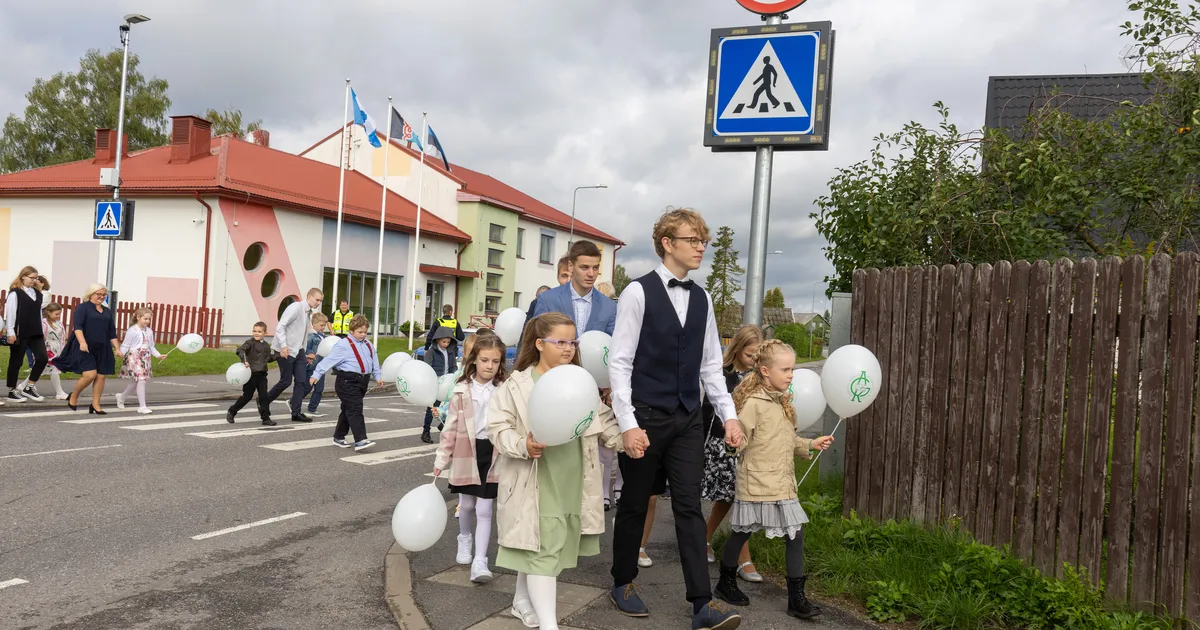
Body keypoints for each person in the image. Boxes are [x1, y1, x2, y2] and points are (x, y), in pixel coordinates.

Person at [607, 208, 744, 629]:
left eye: (703, 241)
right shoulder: (637, 293)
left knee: (689, 506)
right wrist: (628, 423)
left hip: (688, 419)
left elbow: (709, 365)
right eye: (693, 240)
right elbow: (620, 362)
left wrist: (730, 416)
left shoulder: (702, 297)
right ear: (668, 243)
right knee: (634, 501)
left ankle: (702, 603)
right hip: (645, 416)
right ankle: (622, 581)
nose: (701, 247)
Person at [487, 312, 625, 630]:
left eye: (572, 341)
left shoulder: (578, 380)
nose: (568, 348)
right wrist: (523, 445)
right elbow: (497, 427)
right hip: (535, 477)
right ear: (539, 344)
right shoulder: (518, 385)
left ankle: (522, 602)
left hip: (572, 475)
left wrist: (626, 440)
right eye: (560, 342)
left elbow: (601, 419)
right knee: (544, 549)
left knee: (541, 546)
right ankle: (550, 625)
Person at [714, 339, 834, 619]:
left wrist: (810, 444)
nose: (791, 374)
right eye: (786, 369)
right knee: (743, 532)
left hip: (782, 482)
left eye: (792, 369)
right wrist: (732, 442)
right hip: (757, 481)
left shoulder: (783, 402)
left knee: (796, 533)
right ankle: (725, 581)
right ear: (766, 371)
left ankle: (796, 598)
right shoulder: (754, 404)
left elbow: (786, 439)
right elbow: (739, 438)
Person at [433, 333, 509, 584]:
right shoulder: (461, 389)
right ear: (474, 359)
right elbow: (451, 428)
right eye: (485, 360)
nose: (490, 366)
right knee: (466, 505)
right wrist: (441, 459)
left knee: (485, 508)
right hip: (467, 451)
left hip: (493, 451)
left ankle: (480, 561)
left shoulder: (504, 389)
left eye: (495, 361)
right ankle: (464, 538)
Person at [703, 325, 764, 580]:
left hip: (752, 445)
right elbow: (709, 410)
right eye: (750, 355)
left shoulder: (761, 377)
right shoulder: (721, 375)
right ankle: (742, 558)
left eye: (758, 356)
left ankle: (704, 539)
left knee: (736, 499)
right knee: (733, 498)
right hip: (725, 444)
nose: (753, 360)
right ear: (737, 349)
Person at [310, 315, 383, 452]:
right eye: (360, 332)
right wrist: (316, 375)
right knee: (355, 408)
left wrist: (377, 376)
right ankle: (360, 440)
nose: (363, 335)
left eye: (365, 332)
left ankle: (339, 437)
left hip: (363, 381)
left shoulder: (368, 344)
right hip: (347, 381)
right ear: (351, 331)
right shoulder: (343, 345)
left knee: (348, 409)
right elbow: (329, 360)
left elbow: (374, 360)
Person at [52, 283, 121, 414]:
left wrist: (117, 348)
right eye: (98, 294)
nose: (101, 297)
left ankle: (95, 404)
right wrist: (82, 342)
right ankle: (74, 395)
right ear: (91, 294)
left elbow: (111, 332)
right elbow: (78, 327)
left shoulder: (107, 311)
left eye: (103, 295)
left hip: (103, 348)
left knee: (101, 376)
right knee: (90, 375)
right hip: (85, 347)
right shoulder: (83, 308)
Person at [532, 240, 616, 335]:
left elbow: (610, 344)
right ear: (571, 266)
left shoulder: (609, 307)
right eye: (584, 267)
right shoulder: (548, 300)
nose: (591, 274)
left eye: (595, 268)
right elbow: (536, 339)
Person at [268, 288, 323, 423]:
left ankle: (296, 412)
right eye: (317, 300)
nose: (318, 303)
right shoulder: (295, 308)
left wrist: (304, 353)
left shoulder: (308, 313)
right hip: (285, 349)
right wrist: (283, 346)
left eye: (320, 301)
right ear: (309, 297)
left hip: (298, 351)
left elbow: (301, 334)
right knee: (286, 381)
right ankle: (264, 401)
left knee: (301, 381)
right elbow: (281, 326)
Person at [5, 266, 47, 402]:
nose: (34, 281)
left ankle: (30, 386)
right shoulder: (15, 293)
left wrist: (42, 330)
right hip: (20, 332)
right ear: (23, 276)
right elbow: (11, 313)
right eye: (32, 278)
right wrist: (10, 331)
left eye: (36, 278)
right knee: (16, 361)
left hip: (35, 331)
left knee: (42, 358)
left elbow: (38, 314)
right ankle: (12, 390)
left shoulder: (38, 293)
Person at [115, 307, 166, 414]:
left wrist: (158, 355)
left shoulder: (149, 331)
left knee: (136, 382)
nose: (147, 321)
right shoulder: (132, 331)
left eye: (149, 319)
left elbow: (151, 346)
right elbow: (126, 344)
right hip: (134, 357)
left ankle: (121, 397)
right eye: (145, 319)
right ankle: (142, 406)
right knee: (141, 380)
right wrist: (121, 352)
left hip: (145, 358)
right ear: (138, 318)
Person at [227, 322, 280, 426]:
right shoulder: (250, 343)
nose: (256, 333)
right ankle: (232, 411)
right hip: (251, 375)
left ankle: (265, 418)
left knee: (263, 397)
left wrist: (279, 355)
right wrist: (244, 360)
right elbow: (240, 350)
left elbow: (268, 359)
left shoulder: (265, 345)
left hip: (262, 375)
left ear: (265, 333)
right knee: (247, 396)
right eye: (254, 331)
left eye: (259, 331)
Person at [17, 303, 68, 400]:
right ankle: (59, 392)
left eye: (59, 314)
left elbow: (62, 337)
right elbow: (41, 339)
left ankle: (23, 386)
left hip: (56, 349)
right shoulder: (44, 323)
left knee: (40, 370)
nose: (58, 316)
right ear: (49, 313)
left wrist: (62, 349)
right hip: (47, 350)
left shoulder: (59, 323)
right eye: (56, 314)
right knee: (54, 369)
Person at [421, 327, 458, 443]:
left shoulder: (450, 352)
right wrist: (433, 377)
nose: (446, 344)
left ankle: (444, 425)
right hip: (436, 384)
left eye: (448, 342)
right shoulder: (432, 352)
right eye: (444, 342)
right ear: (437, 340)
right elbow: (427, 367)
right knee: (432, 408)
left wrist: (455, 377)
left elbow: (453, 366)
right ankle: (426, 431)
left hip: (448, 384)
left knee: (451, 406)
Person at [301, 312, 331, 419]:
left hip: (321, 366)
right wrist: (309, 354)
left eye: (324, 325)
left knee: (319, 388)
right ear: (314, 323)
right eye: (321, 325)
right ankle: (294, 401)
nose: (323, 328)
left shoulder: (323, 337)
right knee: (307, 387)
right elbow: (305, 350)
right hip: (312, 366)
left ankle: (312, 408)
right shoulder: (310, 336)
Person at [21, 275, 50, 379]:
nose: (34, 281)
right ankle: (31, 365)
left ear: (43, 283)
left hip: (38, 324)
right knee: (27, 348)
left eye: (37, 280)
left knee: (41, 355)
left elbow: (39, 307)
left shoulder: (44, 294)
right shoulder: (28, 292)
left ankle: (34, 370)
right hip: (27, 324)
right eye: (33, 279)